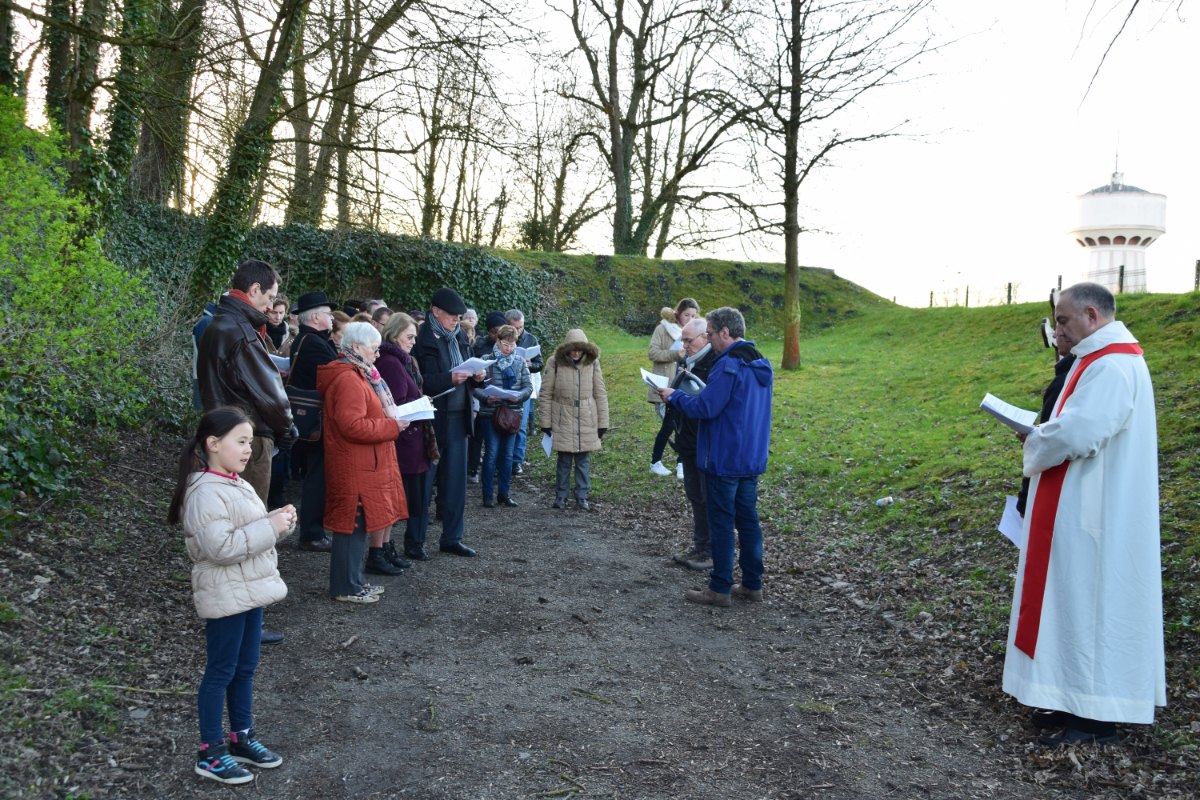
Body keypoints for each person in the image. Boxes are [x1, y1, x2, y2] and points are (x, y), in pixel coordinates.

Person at [1006, 282, 1164, 746]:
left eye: (1063, 321)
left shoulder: (1114, 366)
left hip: (1101, 511)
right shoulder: (1099, 360)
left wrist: (1036, 438)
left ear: (1092, 316)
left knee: (1094, 607)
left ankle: (1096, 717)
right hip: (1081, 503)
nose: (1058, 332)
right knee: (1070, 603)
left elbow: (1081, 432)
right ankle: (1067, 697)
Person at [167, 406, 293, 785]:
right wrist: (269, 525)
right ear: (212, 443)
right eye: (240, 442)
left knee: (245, 667)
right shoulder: (204, 491)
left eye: (250, 443)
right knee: (220, 671)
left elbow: (249, 533)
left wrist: (278, 523)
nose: (247, 450)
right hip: (224, 594)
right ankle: (210, 752)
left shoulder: (236, 483)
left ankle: (241, 737)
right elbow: (220, 548)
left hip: (248, 591)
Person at [659, 306, 773, 608]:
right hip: (751, 456)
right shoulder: (761, 363)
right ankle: (752, 584)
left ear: (725, 332)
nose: (709, 340)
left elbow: (705, 408)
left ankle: (720, 587)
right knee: (748, 521)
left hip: (725, 457)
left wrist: (675, 396)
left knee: (721, 522)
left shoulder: (728, 365)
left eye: (710, 334)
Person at [317, 322, 410, 600]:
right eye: (374, 348)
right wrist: (392, 427)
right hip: (353, 464)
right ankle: (346, 586)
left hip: (360, 463)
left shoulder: (357, 373)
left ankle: (354, 582)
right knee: (351, 524)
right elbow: (352, 425)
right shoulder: (348, 378)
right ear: (356, 347)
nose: (377, 354)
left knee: (357, 525)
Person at [196, 259, 297, 507]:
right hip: (247, 438)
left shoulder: (221, 323)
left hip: (224, 432)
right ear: (254, 290)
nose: (271, 306)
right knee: (248, 517)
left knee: (226, 514)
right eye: (270, 297)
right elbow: (268, 393)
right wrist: (287, 426)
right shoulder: (241, 331)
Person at [414, 287, 485, 557]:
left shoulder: (460, 338)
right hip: (433, 420)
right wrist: (449, 379)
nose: (457, 320)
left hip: (459, 419)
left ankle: (452, 537)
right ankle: (416, 541)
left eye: (458, 316)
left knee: (456, 484)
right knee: (425, 483)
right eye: (452, 316)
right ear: (435, 312)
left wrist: (478, 377)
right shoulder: (424, 340)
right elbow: (422, 382)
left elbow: (469, 370)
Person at [376, 313, 435, 561]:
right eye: (409, 336)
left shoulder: (401, 360)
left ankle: (388, 547)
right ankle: (383, 549)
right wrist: (421, 403)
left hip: (411, 438)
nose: (413, 341)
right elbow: (395, 405)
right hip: (404, 441)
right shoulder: (391, 363)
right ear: (395, 333)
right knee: (398, 500)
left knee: (406, 499)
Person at [288, 292, 340, 553]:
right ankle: (312, 533)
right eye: (329, 313)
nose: (332, 318)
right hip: (317, 421)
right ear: (316, 317)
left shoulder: (306, 339)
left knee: (316, 475)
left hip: (310, 418)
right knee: (317, 477)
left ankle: (313, 530)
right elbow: (336, 378)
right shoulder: (314, 343)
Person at [538, 328, 609, 511]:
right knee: (564, 460)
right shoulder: (554, 363)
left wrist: (603, 423)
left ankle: (582, 496)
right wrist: (545, 423)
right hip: (562, 416)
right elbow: (545, 394)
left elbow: (600, 393)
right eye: (573, 349)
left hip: (587, 416)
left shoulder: (593, 364)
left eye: (579, 349)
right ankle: (561, 496)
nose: (576, 353)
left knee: (583, 460)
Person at [1015, 311, 1076, 518]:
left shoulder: (1065, 381)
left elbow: (1055, 440)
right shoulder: (1072, 372)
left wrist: (1024, 501)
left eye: (1062, 323)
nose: (1056, 333)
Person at [670, 317, 718, 571]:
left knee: (706, 496)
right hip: (687, 439)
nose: (684, 345)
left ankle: (709, 551)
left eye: (689, 340)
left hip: (704, 441)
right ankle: (699, 546)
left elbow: (707, 402)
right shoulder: (687, 361)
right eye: (683, 340)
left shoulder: (713, 363)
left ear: (705, 338)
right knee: (694, 495)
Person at [474, 324, 532, 508]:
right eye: (505, 344)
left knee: (508, 456)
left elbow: (528, 387)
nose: (508, 349)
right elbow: (475, 388)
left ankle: (504, 494)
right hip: (491, 413)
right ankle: (488, 495)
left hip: (512, 414)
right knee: (491, 454)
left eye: (512, 345)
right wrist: (487, 397)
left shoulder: (519, 362)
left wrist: (519, 397)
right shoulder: (486, 359)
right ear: (497, 341)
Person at [648, 299, 698, 477]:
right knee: (670, 425)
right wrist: (675, 354)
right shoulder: (663, 328)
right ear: (678, 313)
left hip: (684, 387)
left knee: (681, 425)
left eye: (693, 315)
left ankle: (681, 464)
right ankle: (656, 462)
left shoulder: (696, 333)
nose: (689, 318)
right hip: (664, 386)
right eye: (686, 315)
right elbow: (652, 352)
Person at [468, 311, 507, 483]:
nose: (496, 335)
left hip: (502, 399)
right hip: (481, 395)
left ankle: (498, 471)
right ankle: (473, 468)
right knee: (477, 437)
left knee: (499, 438)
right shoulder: (479, 347)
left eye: (499, 331)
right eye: (493, 331)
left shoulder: (508, 347)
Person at [505, 309, 544, 475]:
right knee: (504, 424)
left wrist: (530, 364)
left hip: (524, 387)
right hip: (505, 386)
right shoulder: (502, 337)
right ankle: (504, 459)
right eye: (516, 327)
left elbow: (539, 364)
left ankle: (516, 461)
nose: (519, 331)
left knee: (521, 426)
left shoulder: (531, 339)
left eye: (521, 327)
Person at [191, 301, 219, 410]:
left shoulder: (211, 321)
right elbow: (207, 354)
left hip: (206, 378)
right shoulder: (206, 322)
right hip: (205, 379)